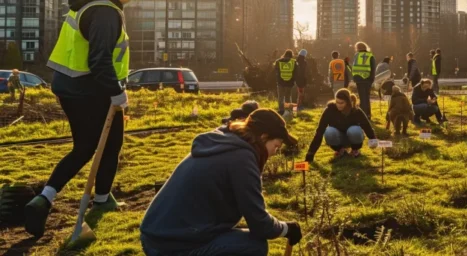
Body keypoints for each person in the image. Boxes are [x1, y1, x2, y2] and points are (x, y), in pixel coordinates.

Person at [24, 0, 132, 237]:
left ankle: (44, 198)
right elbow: (99, 59)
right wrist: (116, 92)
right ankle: (102, 200)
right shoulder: (105, 12)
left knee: (84, 148)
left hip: (69, 87)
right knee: (111, 144)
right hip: (92, 88)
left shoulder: (86, 6)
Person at [140, 109, 302, 255]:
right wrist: (286, 229)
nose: (275, 153)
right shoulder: (243, 158)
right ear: (263, 137)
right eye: (276, 146)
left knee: (240, 236)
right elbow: (260, 224)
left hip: (156, 234)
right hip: (169, 246)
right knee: (254, 246)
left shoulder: (225, 141)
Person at [306, 89, 379, 161]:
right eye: (337, 102)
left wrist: (373, 141)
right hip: (338, 139)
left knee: (354, 130)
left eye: (342, 103)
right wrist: (310, 153)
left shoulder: (356, 110)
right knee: (329, 131)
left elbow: (367, 126)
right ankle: (340, 150)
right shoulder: (329, 110)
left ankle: (355, 150)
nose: (339, 105)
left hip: (353, 139)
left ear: (348, 102)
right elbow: (319, 131)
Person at [352, 42, 376, 117]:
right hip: (367, 79)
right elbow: (373, 68)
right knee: (367, 97)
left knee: (362, 97)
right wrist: (372, 79)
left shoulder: (356, 55)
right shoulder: (370, 55)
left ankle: (364, 115)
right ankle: (368, 114)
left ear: (357, 48)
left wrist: (355, 78)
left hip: (359, 79)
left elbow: (354, 67)